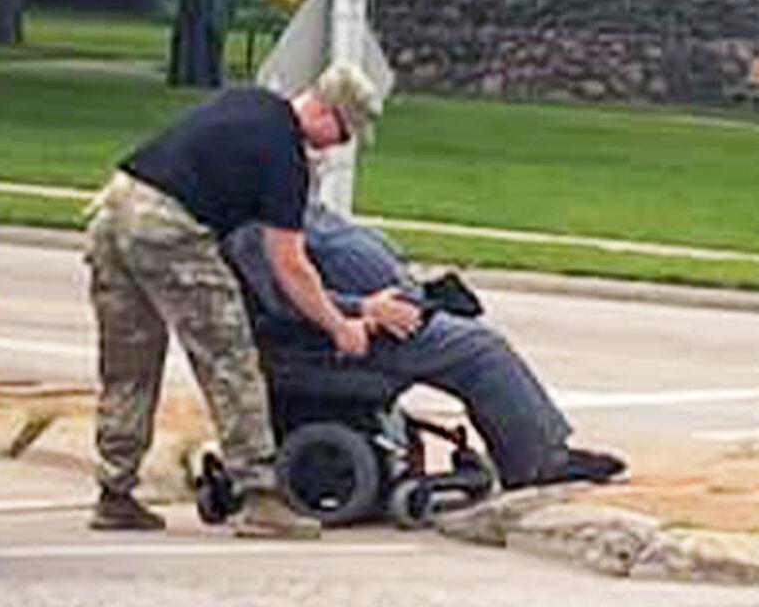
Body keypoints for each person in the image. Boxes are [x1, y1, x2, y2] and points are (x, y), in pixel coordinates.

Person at [85, 62, 383, 538]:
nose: (339, 145)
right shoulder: (284, 154)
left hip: (115, 208)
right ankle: (260, 496)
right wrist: (338, 325)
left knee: (129, 363)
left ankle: (114, 492)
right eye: (343, 133)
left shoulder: (250, 102)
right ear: (326, 112)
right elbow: (290, 264)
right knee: (231, 360)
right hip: (169, 228)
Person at [222, 204, 627, 489]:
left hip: (387, 317)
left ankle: (538, 449)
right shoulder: (252, 227)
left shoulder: (289, 205)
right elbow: (285, 300)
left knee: (470, 335)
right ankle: (536, 461)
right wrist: (360, 309)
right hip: (337, 339)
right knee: (480, 351)